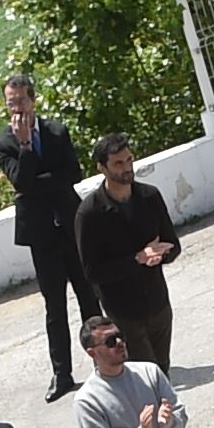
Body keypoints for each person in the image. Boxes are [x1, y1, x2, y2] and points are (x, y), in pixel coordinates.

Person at [0, 75, 88, 395]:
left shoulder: (57, 131)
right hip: (41, 234)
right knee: (54, 306)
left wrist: (37, 183)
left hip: (70, 225)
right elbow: (21, 182)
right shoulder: (5, 143)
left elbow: (73, 173)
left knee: (89, 295)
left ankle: (105, 360)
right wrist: (26, 146)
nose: (16, 108)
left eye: (21, 100)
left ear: (32, 100)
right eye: (10, 102)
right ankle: (62, 374)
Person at [73, 135, 181, 364]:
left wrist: (160, 254)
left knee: (162, 371)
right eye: (118, 163)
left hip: (158, 304)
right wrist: (137, 259)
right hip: (124, 313)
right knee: (145, 376)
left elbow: (174, 245)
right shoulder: (90, 214)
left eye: (129, 160)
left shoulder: (149, 196)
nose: (127, 168)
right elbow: (93, 272)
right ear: (102, 167)